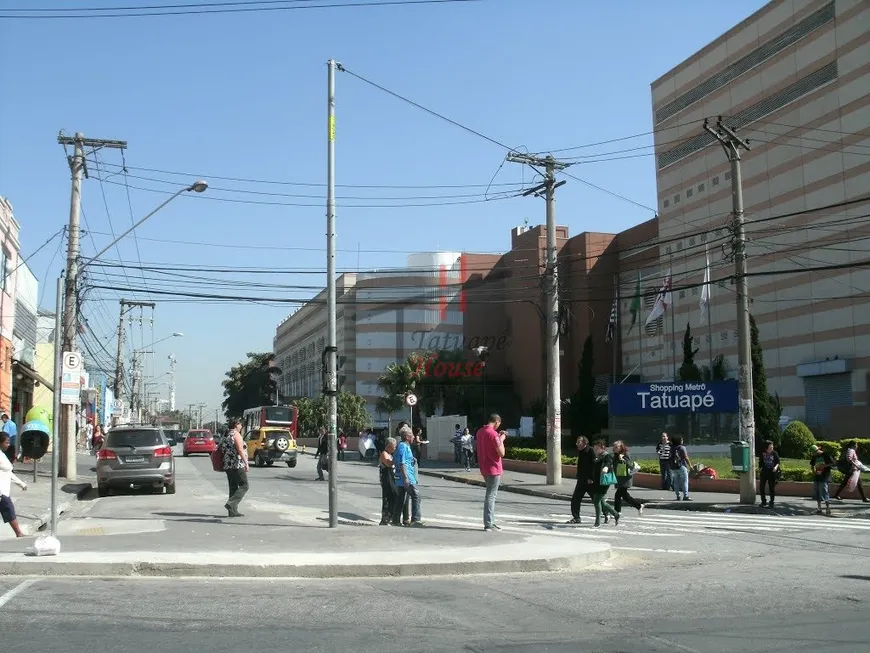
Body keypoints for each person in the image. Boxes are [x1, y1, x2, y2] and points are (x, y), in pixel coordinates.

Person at [476, 413, 506, 532]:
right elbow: (501, 453)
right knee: (491, 496)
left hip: (484, 467)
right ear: (497, 422)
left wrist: (498, 438)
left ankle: (489, 522)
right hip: (493, 468)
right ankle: (489, 523)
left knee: (489, 494)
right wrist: (502, 439)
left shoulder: (480, 432)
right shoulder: (493, 434)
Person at [392, 426, 423, 527]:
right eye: (412, 435)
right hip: (406, 477)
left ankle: (396, 520)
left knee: (401, 498)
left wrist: (412, 459)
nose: (414, 437)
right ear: (407, 437)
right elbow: (402, 463)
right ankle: (415, 520)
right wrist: (406, 478)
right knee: (416, 496)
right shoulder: (403, 447)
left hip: (403, 477)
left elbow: (401, 459)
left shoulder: (404, 446)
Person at [220, 418, 249, 518]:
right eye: (241, 425)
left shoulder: (226, 434)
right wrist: (246, 463)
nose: (241, 427)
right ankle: (231, 504)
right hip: (237, 464)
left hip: (228, 465)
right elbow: (240, 450)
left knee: (233, 487)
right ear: (237, 424)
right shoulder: (236, 434)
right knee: (244, 485)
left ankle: (232, 511)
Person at [0, 433, 27, 537]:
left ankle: (18, 533)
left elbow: (9, 473)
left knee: (9, 511)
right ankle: (19, 533)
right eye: (6, 442)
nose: (8, 444)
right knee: (9, 511)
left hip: (4, 491)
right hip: (1, 492)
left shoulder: (2, 455)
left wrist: (21, 484)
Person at [567, 436, 596, 525]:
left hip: (589, 481)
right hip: (581, 480)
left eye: (579, 442)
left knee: (596, 499)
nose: (577, 444)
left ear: (584, 443)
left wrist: (591, 478)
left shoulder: (590, 450)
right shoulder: (581, 451)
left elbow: (594, 466)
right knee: (575, 499)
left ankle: (607, 513)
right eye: (577, 442)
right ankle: (576, 517)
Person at [591, 440, 619, 527]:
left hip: (603, 482)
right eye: (594, 448)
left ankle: (597, 522)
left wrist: (606, 468)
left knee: (596, 500)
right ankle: (615, 514)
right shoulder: (597, 457)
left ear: (602, 448)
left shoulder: (607, 456)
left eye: (597, 448)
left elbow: (608, 463)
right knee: (602, 502)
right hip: (596, 481)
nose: (595, 450)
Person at [612, 440, 643, 516]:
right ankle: (638, 505)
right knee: (625, 496)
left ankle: (617, 512)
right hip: (619, 478)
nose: (615, 448)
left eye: (616, 447)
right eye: (614, 447)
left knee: (618, 495)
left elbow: (630, 465)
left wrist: (622, 459)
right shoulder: (616, 455)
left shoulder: (626, 454)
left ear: (621, 447)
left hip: (625, 478)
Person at [378, 437, 399, 525]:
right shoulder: (384, 454)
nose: (395, 448)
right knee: (387, 498)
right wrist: (397, 458)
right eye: (394, 446)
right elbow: (388, 463)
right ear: (388, 446)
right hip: (386, 478)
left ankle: (391, 516)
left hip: (392, 478)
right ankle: (385, 518)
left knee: (394, 496)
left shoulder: (390, 454)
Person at [810, 444, 834, 516]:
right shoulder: (814, 456)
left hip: (825, 476)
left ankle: (827, 508)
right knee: (817, 492)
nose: (815, 454)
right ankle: (819, 508)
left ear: (818, 450)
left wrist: (824, 466)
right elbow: (812, 465)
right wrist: (814, 472)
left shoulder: (826, 454)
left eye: (815, 452)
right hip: (817, 476)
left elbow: (833, 462)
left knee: (824, 491)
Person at [758, 440, 781, 509]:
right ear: (766, 447)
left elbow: (778, 461)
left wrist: (775, 467)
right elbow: (761, 462)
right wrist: (760, 468)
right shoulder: (763, 453)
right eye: (770, 446)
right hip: (764, 471)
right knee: (761, 487)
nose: (772, 447)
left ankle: (771, 502)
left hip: (772, 472)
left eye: (772, 446)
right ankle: (763, 501)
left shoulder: (774, 453)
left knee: (771, 487)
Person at [669, 436, 692, 501]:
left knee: (676, 481)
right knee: (685, 481)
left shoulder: (671, 448)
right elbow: (686, 458)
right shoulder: (682, 448)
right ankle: (685, 496)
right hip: (681, 466)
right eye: (681, 440)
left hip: (673, 467)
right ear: (678, 441)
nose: (682, 441)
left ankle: (678, 496)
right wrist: (690, 466)